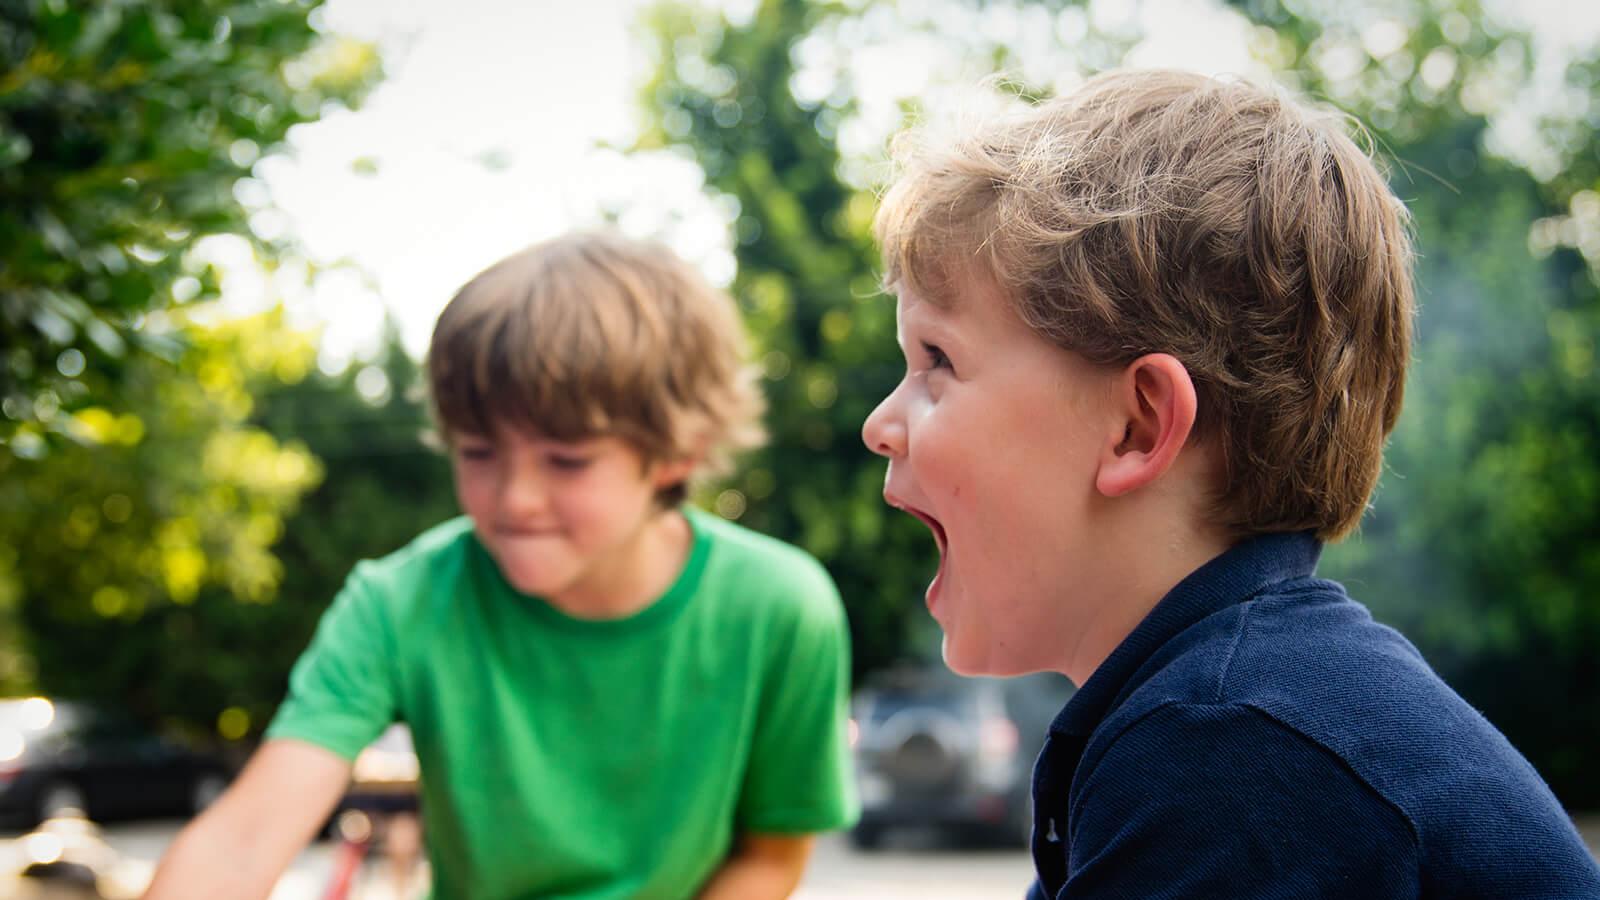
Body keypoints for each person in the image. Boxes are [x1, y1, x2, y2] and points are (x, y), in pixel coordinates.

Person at [861, 69, 1600, 898]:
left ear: (1138, 426)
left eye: (937, 361)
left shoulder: (1227, 752)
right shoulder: (1227, 704)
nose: (879, 424)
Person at [146, 232, 859, 899]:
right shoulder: (400, 601)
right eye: (478, 452)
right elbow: (243, 841)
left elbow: (771, 858)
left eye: (567, 460)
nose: (515, 499)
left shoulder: (781, 606)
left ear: (680, 452)